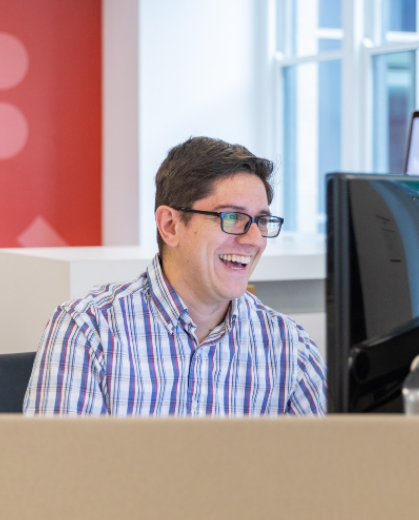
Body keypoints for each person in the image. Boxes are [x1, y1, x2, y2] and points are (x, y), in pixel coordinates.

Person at [24, 137, 327, 416]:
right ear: (170, 225)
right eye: (232, 217)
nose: (254, 240)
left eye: (261, 220)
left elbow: (336, 466)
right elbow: (57, 470)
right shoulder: (88, 329)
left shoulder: (289, 345)